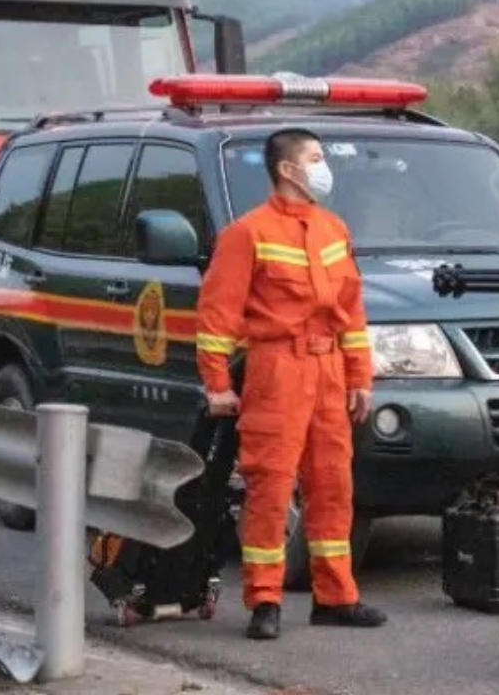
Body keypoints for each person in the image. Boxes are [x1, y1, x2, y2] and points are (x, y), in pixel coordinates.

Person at [196, 127, 387, 639]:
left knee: (333, 486)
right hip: (276, 369)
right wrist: (217, 383)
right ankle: (265, 601)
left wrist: (358, 376)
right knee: (271, 486)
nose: (325, 168)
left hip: (327, 373)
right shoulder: (248, 234)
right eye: (317, 158)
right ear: (288, 169)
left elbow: (351, 313)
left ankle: (336, 596)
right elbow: (218, 315)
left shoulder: (332, 229)